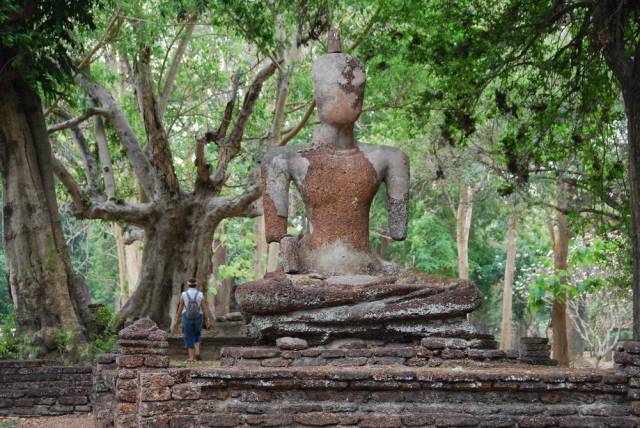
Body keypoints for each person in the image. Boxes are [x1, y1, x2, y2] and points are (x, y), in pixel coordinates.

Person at [175, 278, 211, 361]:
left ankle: (191, 357)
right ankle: (197, 352)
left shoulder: (184, 294)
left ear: (188, 284)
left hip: (186, 317)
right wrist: (207, 320)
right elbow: (204, 308)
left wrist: (177, 321)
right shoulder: (200, 294)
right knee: (197, 334)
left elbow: (180, 309)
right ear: (196, 285)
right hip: (198, 317)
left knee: (188, 335)